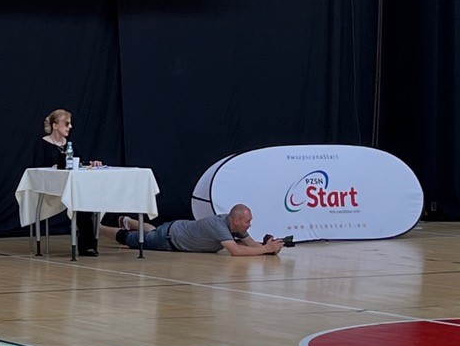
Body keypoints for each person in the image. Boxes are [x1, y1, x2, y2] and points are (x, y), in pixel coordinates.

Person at [30, 109, 104, 257]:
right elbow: (37, 168)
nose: (70, 127)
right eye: (66, 123)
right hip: (50, 189)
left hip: (70, 187)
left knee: (84, 200)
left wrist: (91, 164)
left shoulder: (70, 145)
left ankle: (86, 245)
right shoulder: (42, 144)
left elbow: (79, 163)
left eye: (70, 124)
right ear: (55, 125)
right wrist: (53, 167)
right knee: (79, 198)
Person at [114, 204, 286, 255]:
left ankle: (129, 221)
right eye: (248, 221)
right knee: (128, 238)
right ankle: (101, 229)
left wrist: (270, 247)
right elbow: (236, 251)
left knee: (153, 232)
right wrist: (265, 249)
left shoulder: (234, 225)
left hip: (174, 229)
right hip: (169, 240)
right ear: (237, 220)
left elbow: (250, 244)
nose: (250, 224)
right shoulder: (218, 225)